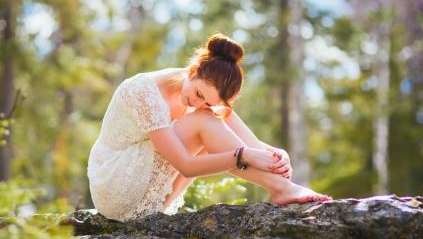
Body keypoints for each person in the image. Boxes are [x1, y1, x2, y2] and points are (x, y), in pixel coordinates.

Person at [87, 33, 332, 223]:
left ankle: (281, 186)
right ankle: (280, 189)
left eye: (208, 102)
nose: (199, 104)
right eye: (199, 94)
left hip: (149, 197)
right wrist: (243, 155)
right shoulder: (143, 91)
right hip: (115, 186)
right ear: (192, 72)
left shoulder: (200, 99)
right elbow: (184, 164)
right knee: (205, 122)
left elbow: (239, 134)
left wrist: (276, 156)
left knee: (209, 121)